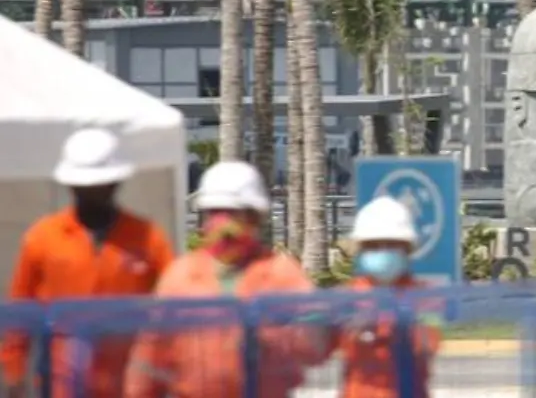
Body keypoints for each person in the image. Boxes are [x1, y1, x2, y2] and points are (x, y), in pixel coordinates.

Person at [123, 161, 326, 398]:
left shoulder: (282, 273)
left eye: (231, 212)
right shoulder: (181, 275)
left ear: (254, 217)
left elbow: (315, 348)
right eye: (214, 212)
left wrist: (276, 337)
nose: (222, 223)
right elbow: (150, 355)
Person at [2, 128, 175, 398]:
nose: (92, 193)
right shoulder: (43, 237)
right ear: (70, 185)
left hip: (128, 381)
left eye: (100, 185)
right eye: (84, 187)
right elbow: (20, 310)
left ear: (116, 183)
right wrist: (14, 373)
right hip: (62, 379)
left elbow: (174, 305)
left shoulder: (148, 238)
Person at [339, 196, 442, 398]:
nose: (382, 252)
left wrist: (389, 323)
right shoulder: (348, 296)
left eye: (391, 245)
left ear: (407, 249)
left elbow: (427, 347)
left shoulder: (424, 296)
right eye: (374, 246)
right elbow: (313, 350)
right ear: (361, 250)